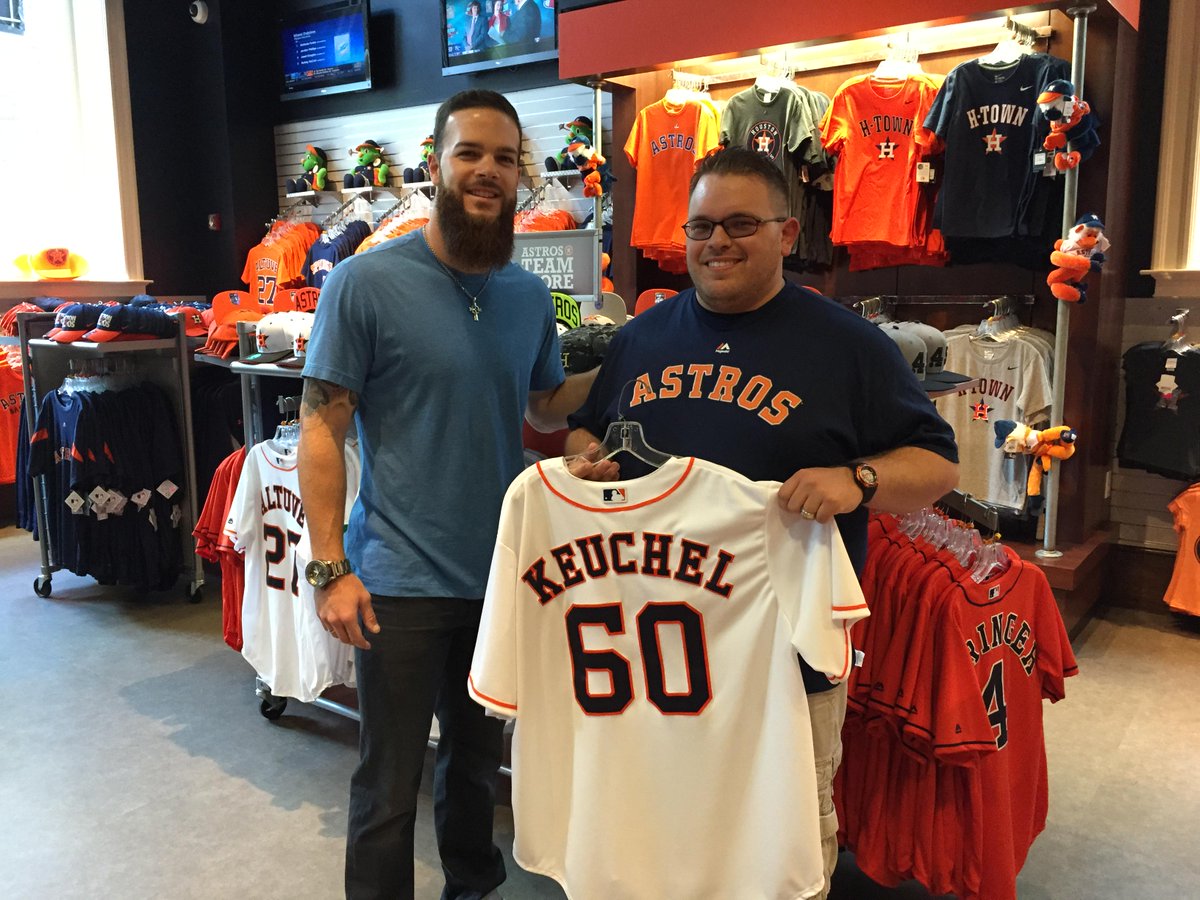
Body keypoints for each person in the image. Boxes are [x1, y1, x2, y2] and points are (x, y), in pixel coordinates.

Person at [565, 147, 959, 900]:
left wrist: (859, 480)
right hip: (655, 648)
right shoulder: (641, 339)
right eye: (702, 225)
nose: (718, 242)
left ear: (786, 231)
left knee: (782, 845)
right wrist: (588, 462)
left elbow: (938, 466)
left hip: (787, 658)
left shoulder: (849, 345)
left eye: (741, 224)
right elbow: (589, 430)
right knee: (659, 826)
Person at [299, 89, 597, 900]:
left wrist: (633, 361)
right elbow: (322, 425)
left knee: (474, 771)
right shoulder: (363, 283)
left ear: (520, 175)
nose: (488, 172)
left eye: (505, 158)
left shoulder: (527, 297)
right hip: (396, 580)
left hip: (499, 577)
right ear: (436, 166)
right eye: (471, 153)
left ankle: (474, 891)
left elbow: (541, 405)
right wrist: (329, 567)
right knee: (389, 788)